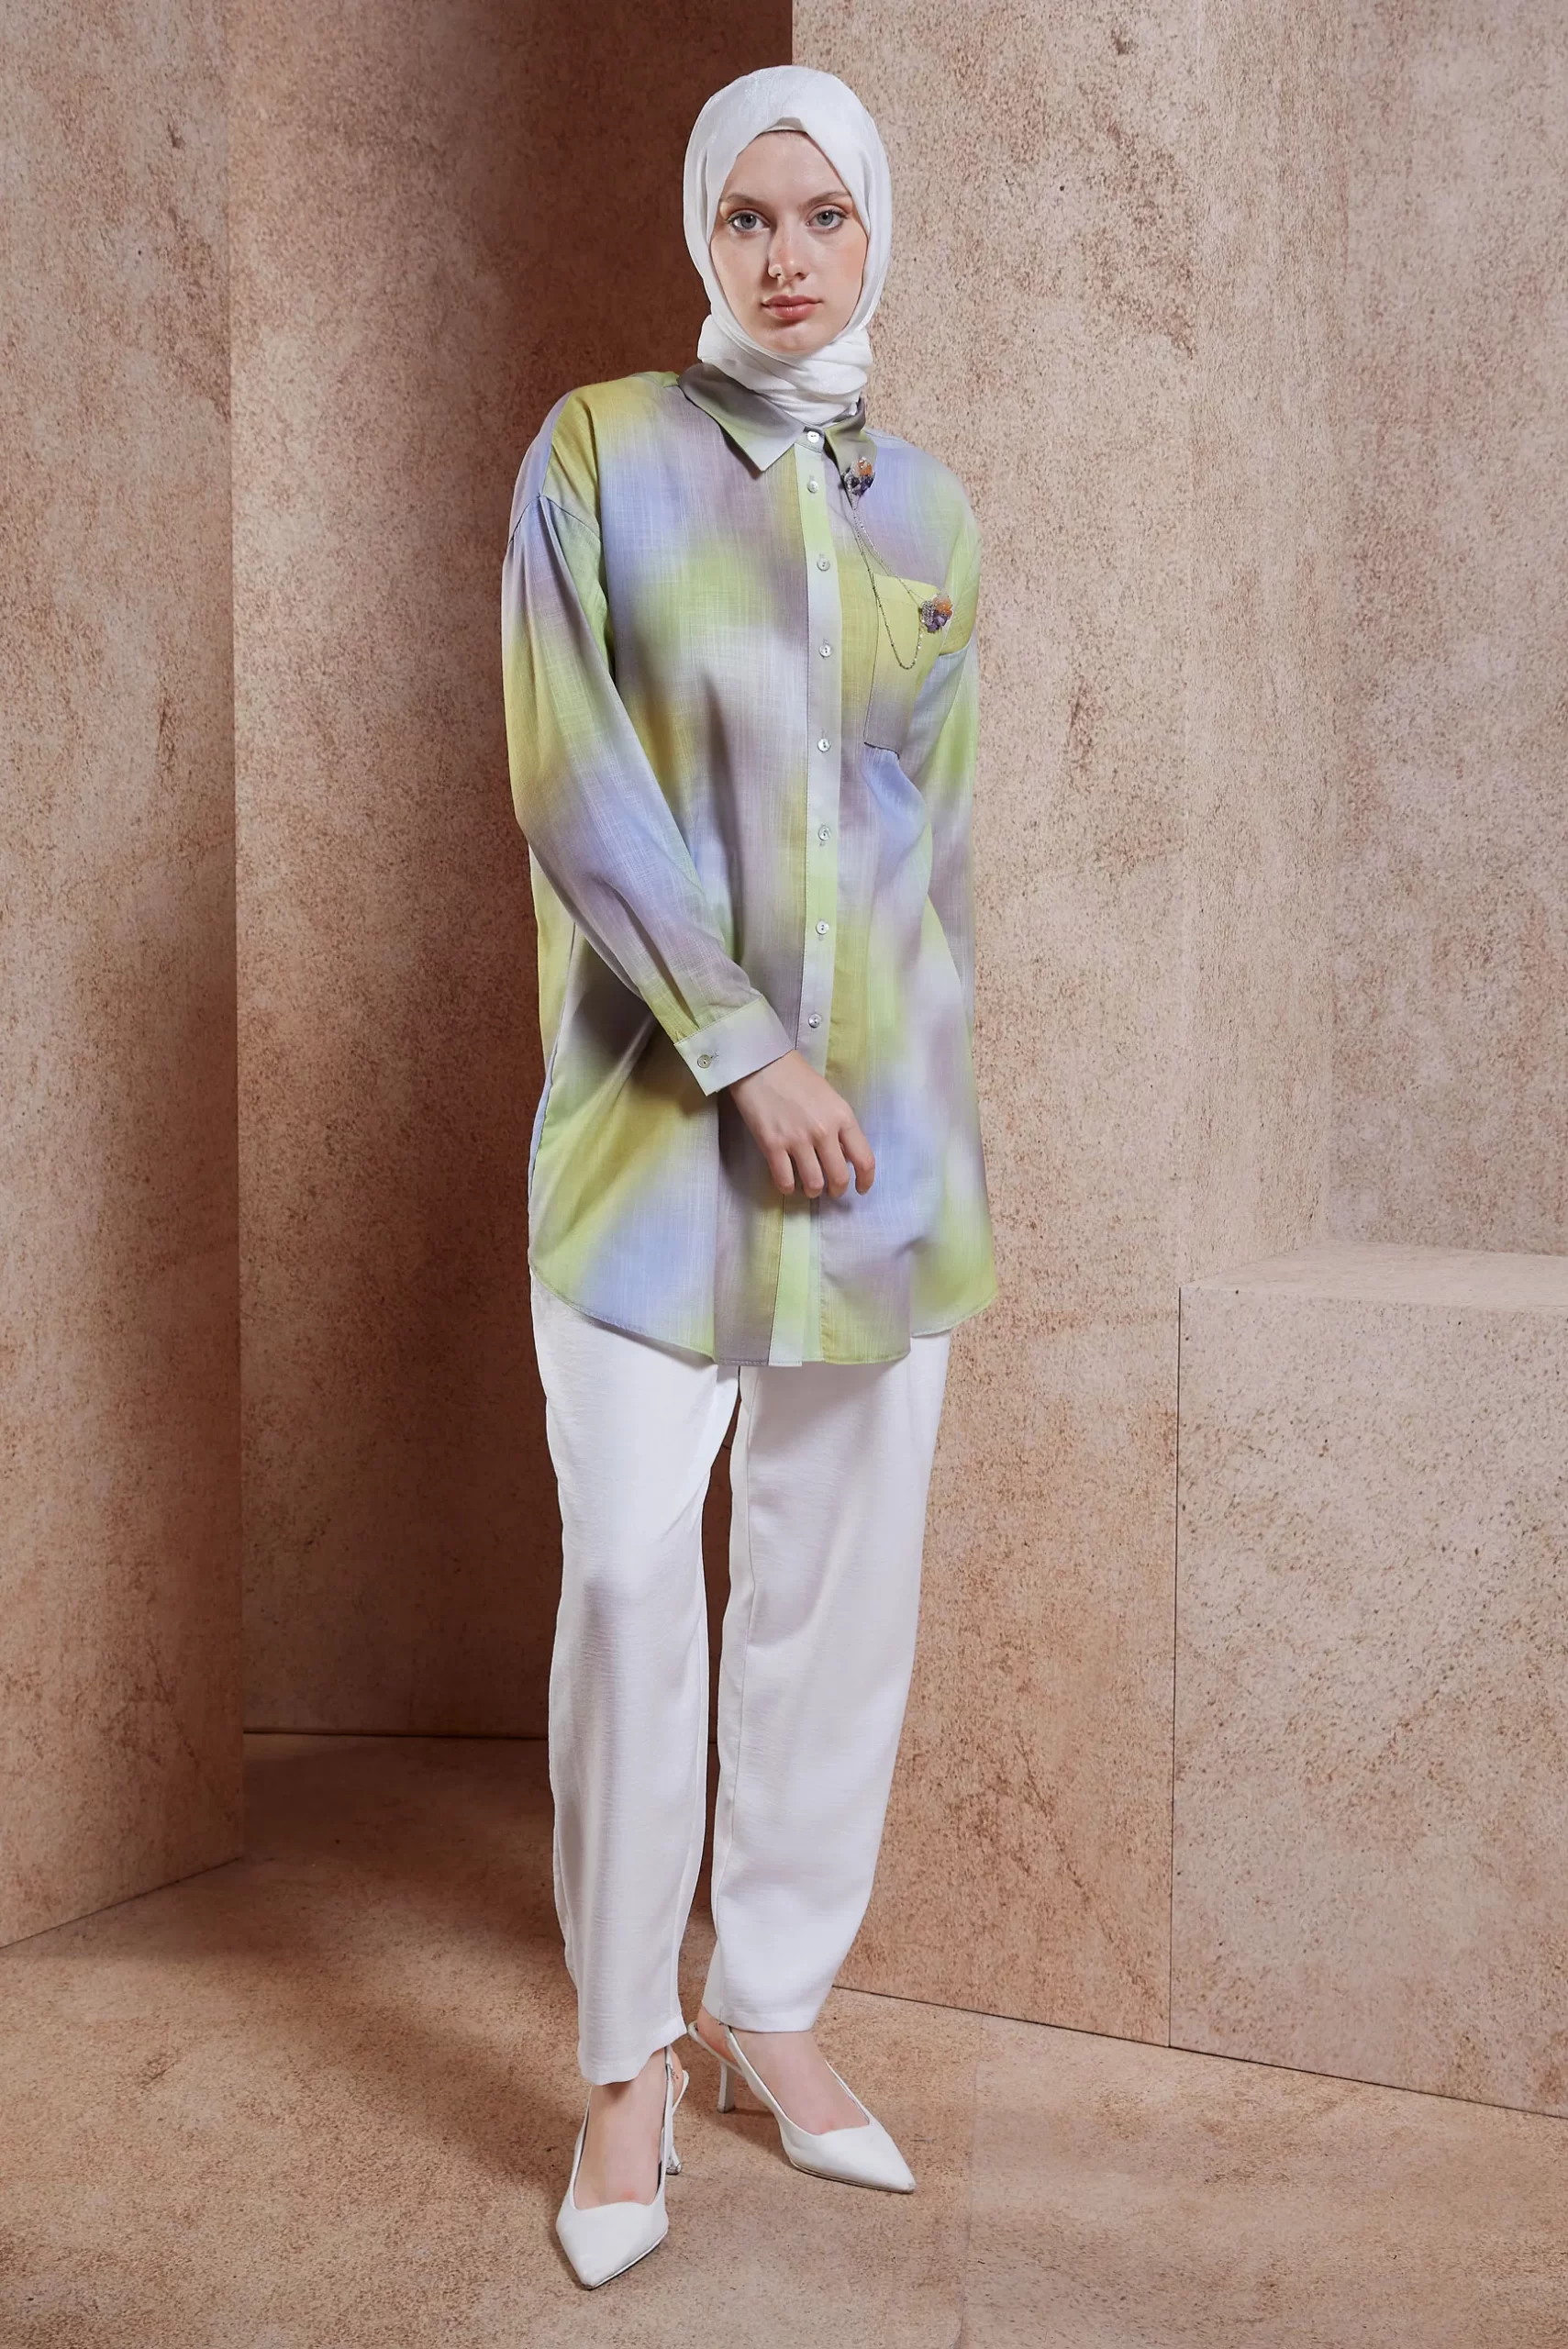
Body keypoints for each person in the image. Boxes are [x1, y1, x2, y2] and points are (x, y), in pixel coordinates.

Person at [499, 61, 996, 2289]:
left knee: (832, 1600)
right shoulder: (595, 455)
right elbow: (569, 778)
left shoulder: (934, 516)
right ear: (702, 231)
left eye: (822, 216)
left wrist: (924, 1127)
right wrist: (744, 1044)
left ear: (874, 234)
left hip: (880, 1160)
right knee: (631, 1580)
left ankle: (772, 2006)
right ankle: (625, 2057)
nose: (784, 256)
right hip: (647, 1152)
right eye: (745, 216)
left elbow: (929, 854)